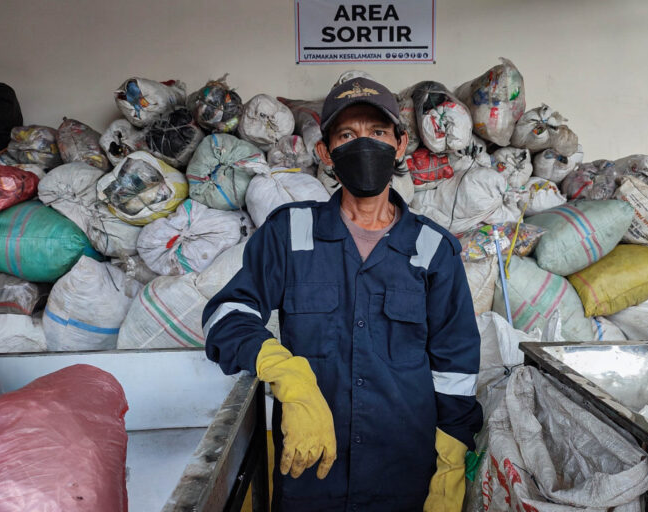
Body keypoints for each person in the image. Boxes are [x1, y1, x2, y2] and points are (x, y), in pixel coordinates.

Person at [203, 77, 482, 512]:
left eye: (377, 133)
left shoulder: (432, 248)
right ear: (325, 153)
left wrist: (448, 464)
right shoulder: (290, 232)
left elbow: (456, 366)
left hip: (404, 475)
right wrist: (289, 376)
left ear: (401, 144)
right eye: (347, 135)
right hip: (312, 472)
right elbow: (226, 315)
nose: (364, 145)